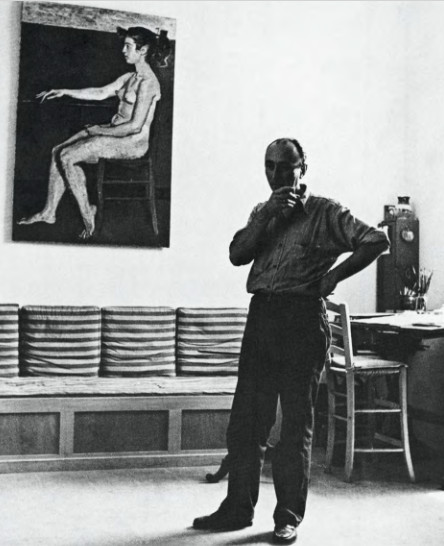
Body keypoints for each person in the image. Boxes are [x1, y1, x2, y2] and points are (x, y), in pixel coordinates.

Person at [193, 137, 390, 543]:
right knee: (247, 423)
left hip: (302, 321)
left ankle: (287, 517)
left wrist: (333, 277)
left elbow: (377, 240)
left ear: (303, 168)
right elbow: (236, 254)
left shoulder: (325, 211)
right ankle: (237, 509)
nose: (278, 175)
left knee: (296, 427)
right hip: (262, 317)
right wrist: (267, 215)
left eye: (287, 167)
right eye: (270, 167)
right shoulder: (261, 211)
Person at [18, 26, 170, 240]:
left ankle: (88, 217)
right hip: (114, 134)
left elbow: (135, 126)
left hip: (132, 143)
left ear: (142, 50)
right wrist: (64, 91)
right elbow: (100, 92)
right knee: (57, 151)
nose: (123, 50)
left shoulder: (149, 83)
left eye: (128, 46)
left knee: (67, 156)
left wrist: (97, 130)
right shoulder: (130, 77)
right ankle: (49, 212)